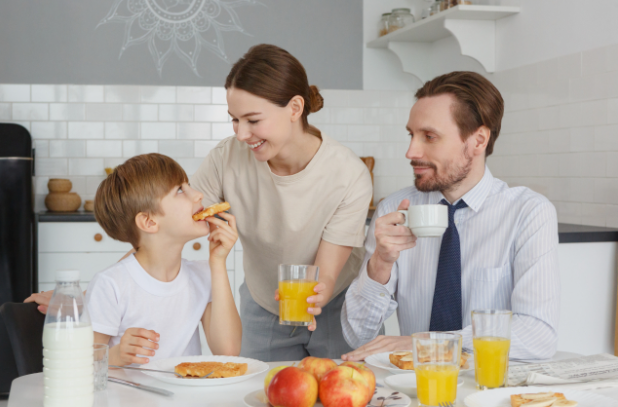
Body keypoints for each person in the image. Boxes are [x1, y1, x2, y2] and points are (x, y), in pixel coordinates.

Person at [340, 71, 560, 362]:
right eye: (412, 135)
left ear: (478, 140)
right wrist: (380, 263)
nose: (411, 151)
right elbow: (359, 337)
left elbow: (538, 336)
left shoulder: (528, 213)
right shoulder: (394, 211)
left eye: (429, 137)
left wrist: (427, 343)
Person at [189, 44, 373, 361]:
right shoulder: (226, 158)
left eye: (253, 120)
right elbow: (176, 219)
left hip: (336, 309)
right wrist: (125, 276)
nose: (242, 134)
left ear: (294, 108)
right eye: (234, 120)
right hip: (262, 305)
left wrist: (312, 300)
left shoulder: (349, 175)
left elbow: (325, 275)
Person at [73, 153, 240, 366]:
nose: (198, 195)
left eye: (188, 185)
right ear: (149, 222)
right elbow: (84, 362)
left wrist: (218, 262)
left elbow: (228, 351)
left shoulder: (203, 274)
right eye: (180, 190)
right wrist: (115, 355)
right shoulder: (111, 284)